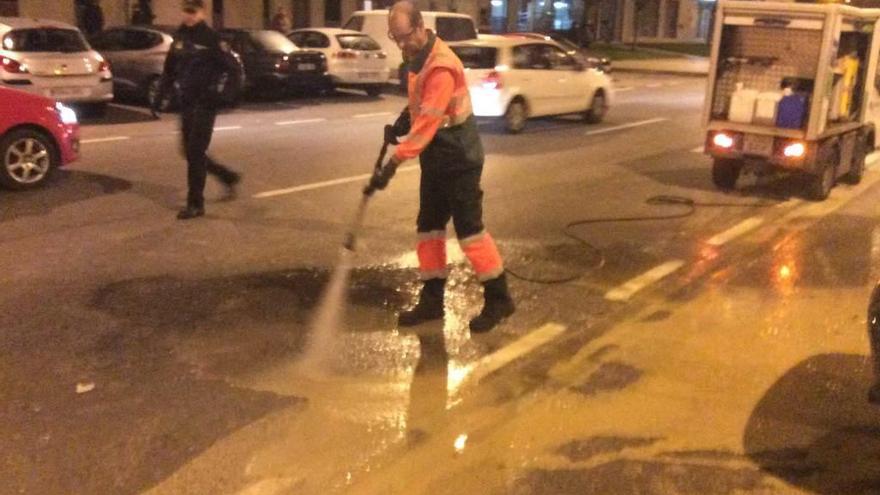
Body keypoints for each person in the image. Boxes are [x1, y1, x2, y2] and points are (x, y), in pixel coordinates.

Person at [366, 1, 515, 333]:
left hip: (459, 159)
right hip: (436, 159)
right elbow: (420, 104)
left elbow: (428, 125)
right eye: (396, 38)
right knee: (429, 229)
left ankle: (499, 298)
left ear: (420, 27)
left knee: (470, 232)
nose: (402, 45)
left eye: (405, 37)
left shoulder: (442, 65)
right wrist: (401, 121)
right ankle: (432, 300)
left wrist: (391, 166)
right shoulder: (418, 57)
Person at [154, 0, 241, 220]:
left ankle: (196, 204)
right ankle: (227, 177)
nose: (189, 16)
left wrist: (224, 96)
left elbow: (234, 70)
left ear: (202, 12)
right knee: (189, 151)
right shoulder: (180, 37)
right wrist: (159, 97)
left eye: (193, 12)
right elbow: (170, 69)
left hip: (206, 103)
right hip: (187, 102)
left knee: (194, 151)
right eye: (186, 11)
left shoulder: (212, 39)